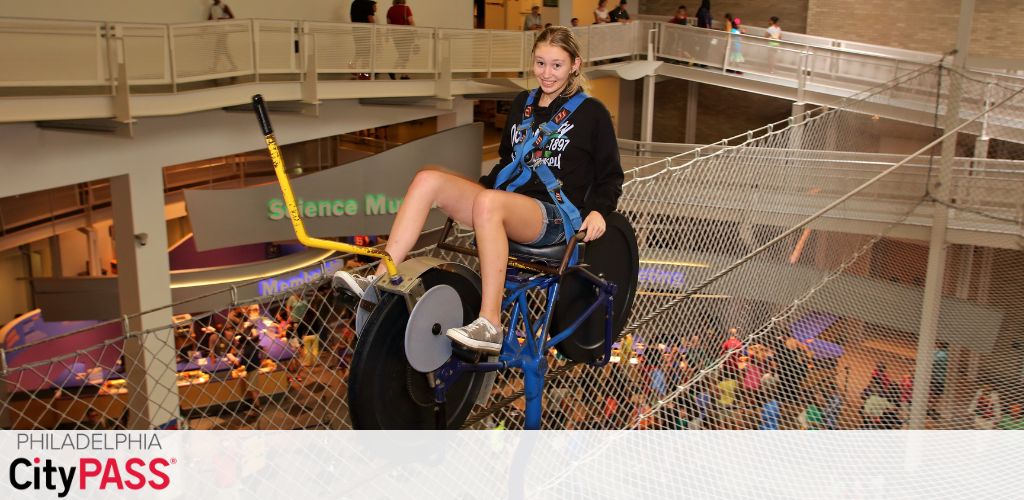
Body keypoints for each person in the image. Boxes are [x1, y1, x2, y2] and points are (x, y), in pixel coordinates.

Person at [334, 26, 623, 355]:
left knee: (489, 203)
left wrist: (600, 209)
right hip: (503, 203)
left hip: (552, 216)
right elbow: (506, 162)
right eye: (540, 63)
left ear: (575, 65)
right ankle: (378, 278)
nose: (547, 73)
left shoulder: (591, 113)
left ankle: (491, 324)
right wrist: (474, 194)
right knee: (427, 179)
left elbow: (611, 175)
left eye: (556, 65)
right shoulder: (522, 105)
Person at [386, 0, 415, 80]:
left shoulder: (390, 9)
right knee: (404, 56)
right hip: (406, 36)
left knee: (402, 55)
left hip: (396, 36)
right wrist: (415, 32)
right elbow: (411, 21)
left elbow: (388, 23)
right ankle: (392, 70)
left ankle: (404, 75)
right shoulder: (406, 9)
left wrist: (387, 36)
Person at [350, 0, 377, 79]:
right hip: (366, 30)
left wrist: (355, 26)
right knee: (366, 51)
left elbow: (351, 16)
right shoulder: (367, 3)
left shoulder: (354, 3)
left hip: (356, 30)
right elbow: (370, 17)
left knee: (359, 50)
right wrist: (376, 29)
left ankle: (352, 64)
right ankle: (364, 72)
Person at [208, 0, 237, 72]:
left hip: (224, 30)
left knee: (217, 49)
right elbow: (209, 18)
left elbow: (232, 17)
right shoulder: (212, 6)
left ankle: (214, 68)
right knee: (224, 49)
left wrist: (222, 19)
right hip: (217, 31)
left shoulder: (223, 6)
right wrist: (203, 29)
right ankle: (233, 66)